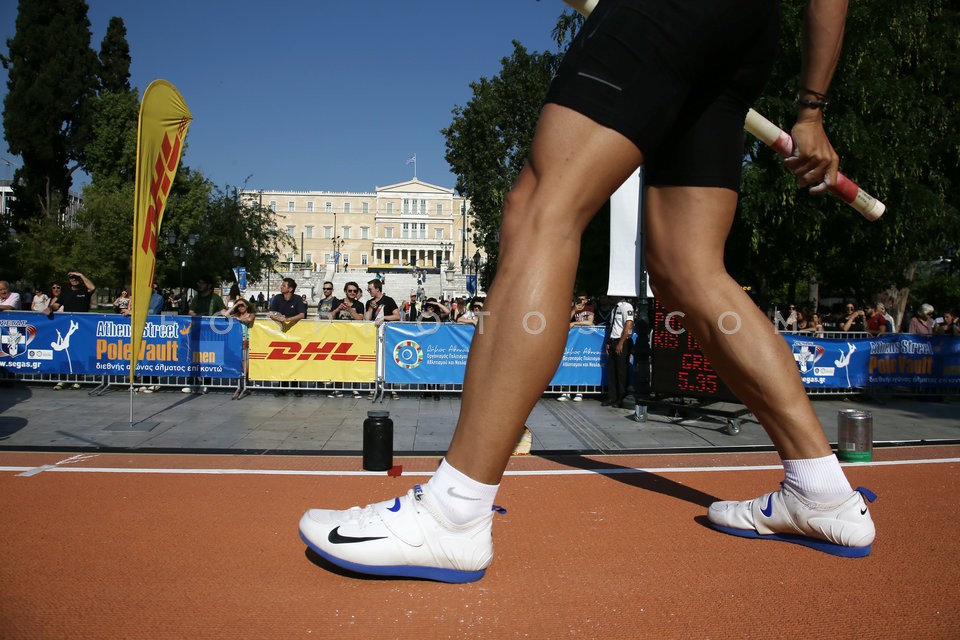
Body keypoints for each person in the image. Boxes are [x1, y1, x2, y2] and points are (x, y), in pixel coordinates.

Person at [300, 0, 876, 583]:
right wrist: (810, 108)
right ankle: (822, 490)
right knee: (688, 267)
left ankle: (454, 511)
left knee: (542, 210)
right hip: (746, 30)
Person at [604, 296, 634, 408]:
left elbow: (629, 324)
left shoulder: (626, 306)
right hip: (613, 340)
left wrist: (621, 343)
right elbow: (613, 326)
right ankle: (612, 397)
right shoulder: (614, 308)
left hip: (622, 341)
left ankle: (621, 398)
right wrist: (608, 341)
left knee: (621, 371)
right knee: (611, 371)